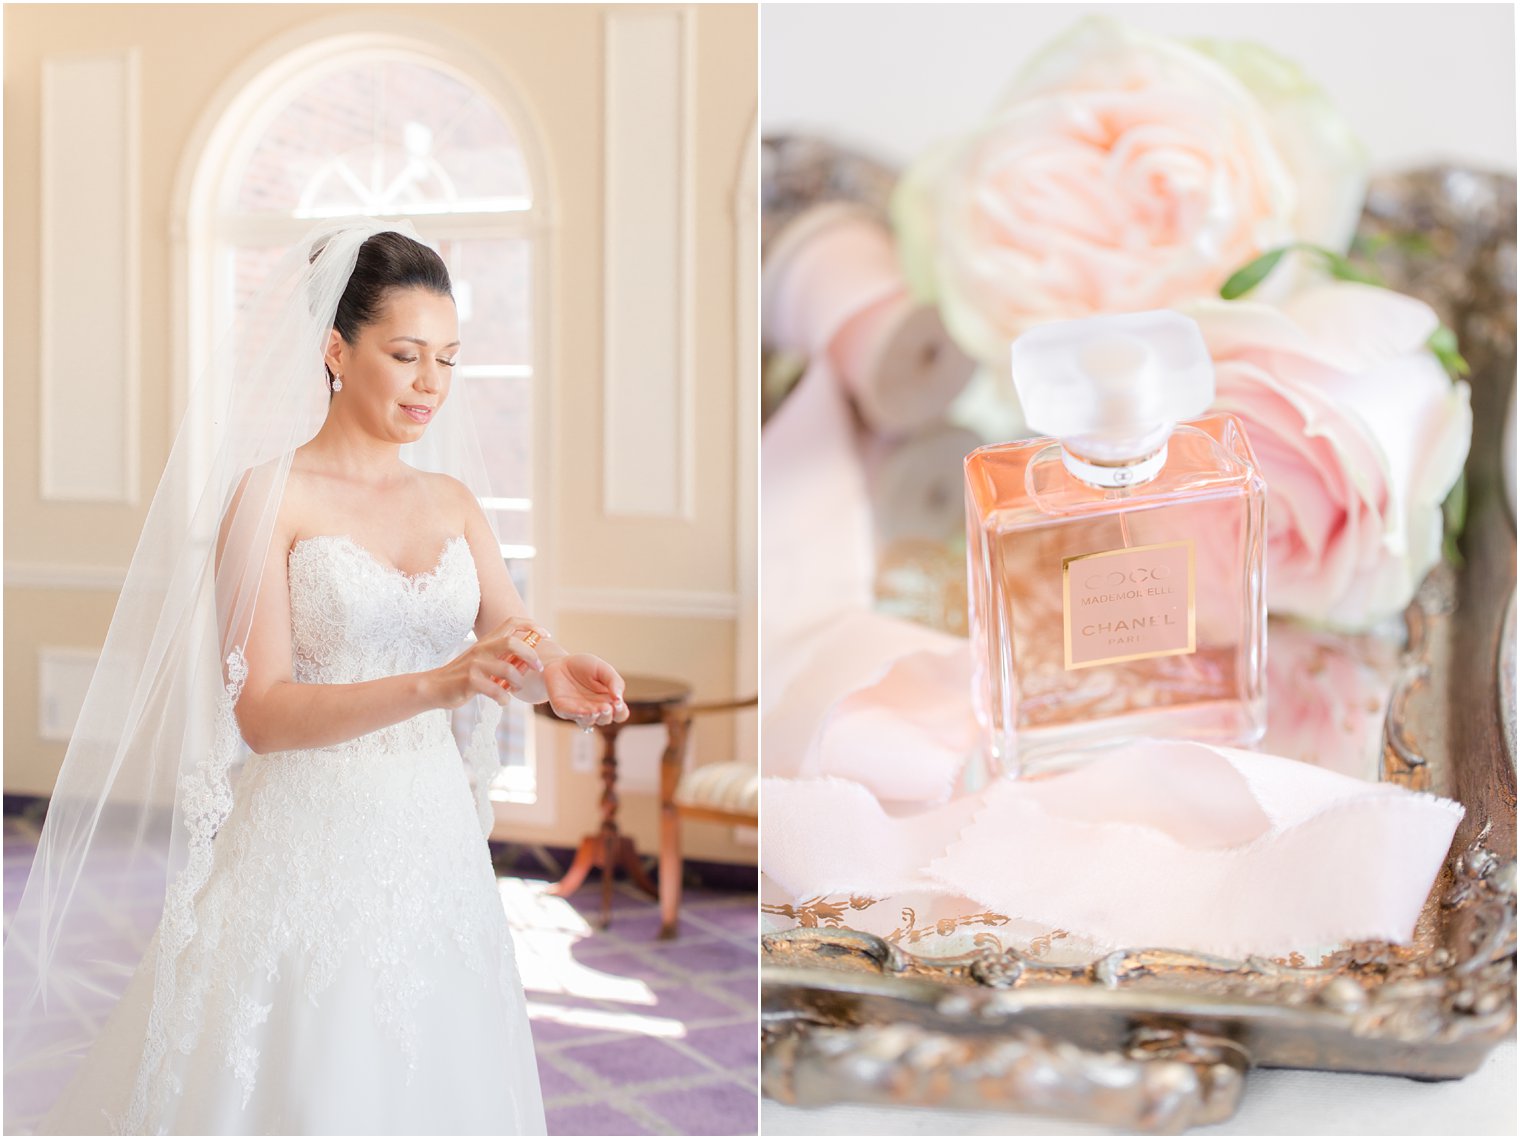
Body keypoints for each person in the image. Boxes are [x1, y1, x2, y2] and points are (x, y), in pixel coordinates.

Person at [5, 222, 625, 1134]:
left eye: (448, 360)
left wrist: (553, 669)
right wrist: (440, 685)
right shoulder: (270, 496)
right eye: (406, 354)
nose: (430, 384)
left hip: (432, 840)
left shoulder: (451, 501)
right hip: (308, 838)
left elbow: (507, 643)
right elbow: (261, 710)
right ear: (337, 350)